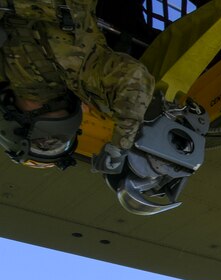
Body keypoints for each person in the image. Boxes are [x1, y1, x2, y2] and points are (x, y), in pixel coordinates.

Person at [0, 0, 154, 168]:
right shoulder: (82, 79)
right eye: (53, 143)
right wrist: (120, 144)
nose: (54, 139)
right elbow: (134, 78)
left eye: (46, 143)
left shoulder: (12, 78)